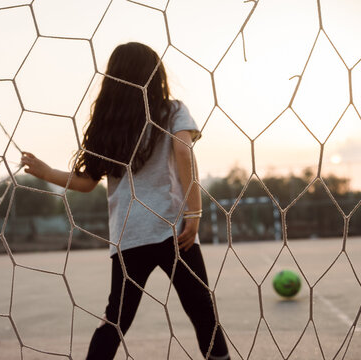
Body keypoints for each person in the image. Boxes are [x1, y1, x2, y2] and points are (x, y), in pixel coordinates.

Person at [21, 42, 230, 360]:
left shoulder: (108, 127)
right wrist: (195, 212)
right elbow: (184, 151)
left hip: (129, 235)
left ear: (113, 79)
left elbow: (87, 183)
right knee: (202, 312)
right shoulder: (172, 110)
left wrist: (46, 171)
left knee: (115, 320)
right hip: (174, 231)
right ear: (155, 76)